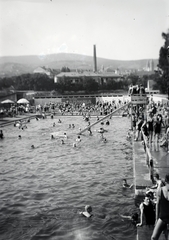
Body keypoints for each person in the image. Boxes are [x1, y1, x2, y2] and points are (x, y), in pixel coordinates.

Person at [151, 174, 169, 240]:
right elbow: (157, 205)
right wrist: (156, 219)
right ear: (166, 182)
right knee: (153, 237)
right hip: (162, 218)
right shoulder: (160, 190)